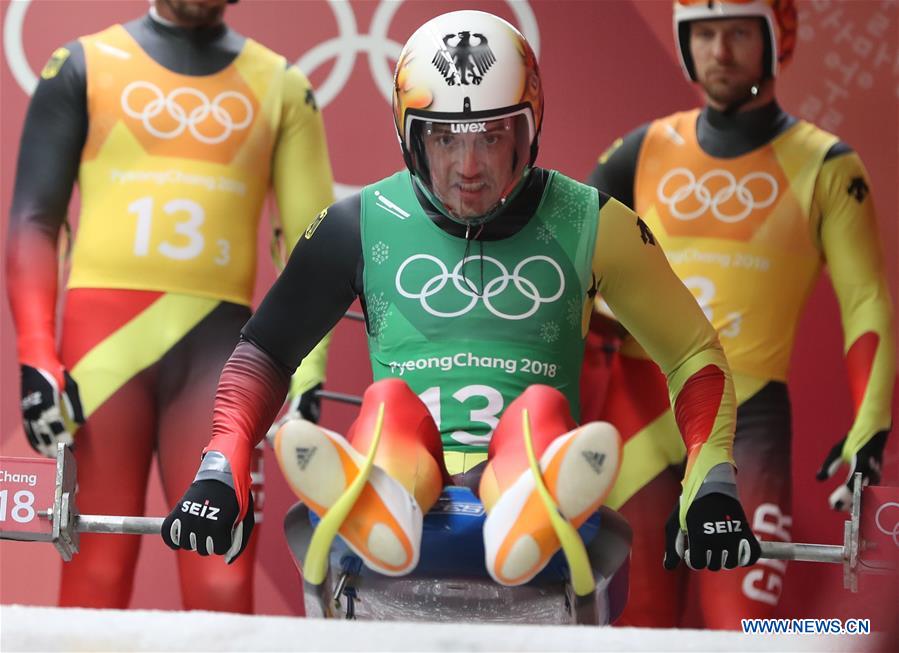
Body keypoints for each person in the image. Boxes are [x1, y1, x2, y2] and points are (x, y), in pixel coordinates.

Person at [161, 9, 761, 596]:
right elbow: (265, 349)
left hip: (529, 450)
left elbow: (692, 353)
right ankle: (394, 497)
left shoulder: (595, 222)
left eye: (493, 136)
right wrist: (222, 465)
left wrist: (710, 480)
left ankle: (515, 503)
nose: (468, 168)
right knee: (389, 402)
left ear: (530, 129)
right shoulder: (358, 224)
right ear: (409, 136)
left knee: (539, 409)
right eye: (444, 138)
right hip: (409, 452)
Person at [6, 0, 335, 612]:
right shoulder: (81, 65)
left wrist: (308, 370)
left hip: (222, 358)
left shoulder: (284, 85)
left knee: (220, 578)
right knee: (94, 576)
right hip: (102, 359)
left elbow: (313, 243)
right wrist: (36, 356)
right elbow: (32, 221)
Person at [583, 0, 895, 629]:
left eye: (735, 33)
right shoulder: (638, 151)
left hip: (747, 422)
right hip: (637, 414)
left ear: (776, 37)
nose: (718, 51)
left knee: (748, 633)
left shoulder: (829, 166)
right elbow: (565, 276)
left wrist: (872, 422)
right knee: (629, 630)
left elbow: (866, 301)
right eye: (702, 35)